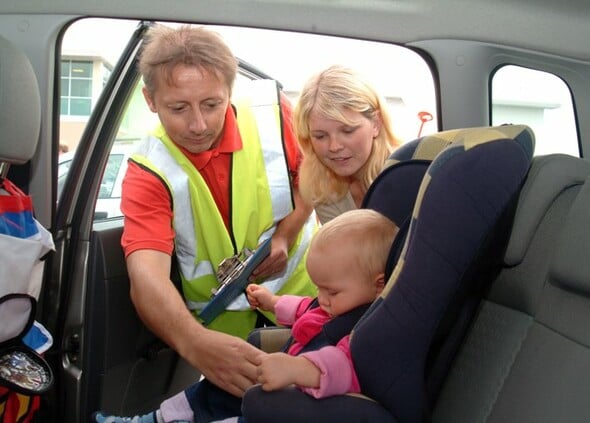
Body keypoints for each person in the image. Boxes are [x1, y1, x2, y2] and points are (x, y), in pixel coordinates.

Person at [119, 22, 318, 403]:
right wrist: (195, 343)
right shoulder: (147, 170)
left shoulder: (273, 112)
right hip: (228, 339)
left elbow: (311, 182)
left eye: (212, 104)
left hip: (312, 305)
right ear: (150, 99)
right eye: (178, 108)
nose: (198, 125)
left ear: (230, 91)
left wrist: (285, 236)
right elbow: (146, 277)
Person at [94, 209, 399, 422]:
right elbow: (303, 308)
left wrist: (296, 369)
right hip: (284, 377)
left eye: (331, 292)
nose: (322, 298)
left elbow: (340, 368)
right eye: (319, 288)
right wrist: (272, 301)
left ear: (378, 285)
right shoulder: (336, 304)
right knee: (219, 381)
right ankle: (157, 418)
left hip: (304, 398)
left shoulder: (364, 327)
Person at [294, 65, 401, 224]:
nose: (334, 146)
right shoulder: (320, 186)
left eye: (348, 131)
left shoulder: (405, 177)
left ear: (376, 124)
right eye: (320, 136)